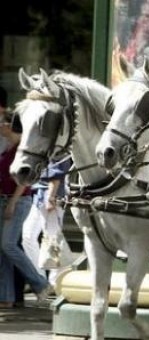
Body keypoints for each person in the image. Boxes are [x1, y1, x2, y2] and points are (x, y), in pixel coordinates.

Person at [0, 88, 51, 308]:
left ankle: (41, 284)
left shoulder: (22, 146)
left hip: (18, 200)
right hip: (2, 198)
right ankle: (6, 296)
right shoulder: (3, 146)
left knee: (9, 245)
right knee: (2, 250)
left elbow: (24, 179)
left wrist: (11, 202)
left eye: (3, 123)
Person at [22, 158, 74, 286]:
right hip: (40, 194)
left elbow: (57, 170)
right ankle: (41, 278)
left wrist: (51, 196)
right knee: (28, 236)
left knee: (53, 240)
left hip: (51, 195)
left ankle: (55, 281)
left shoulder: (60, 146)